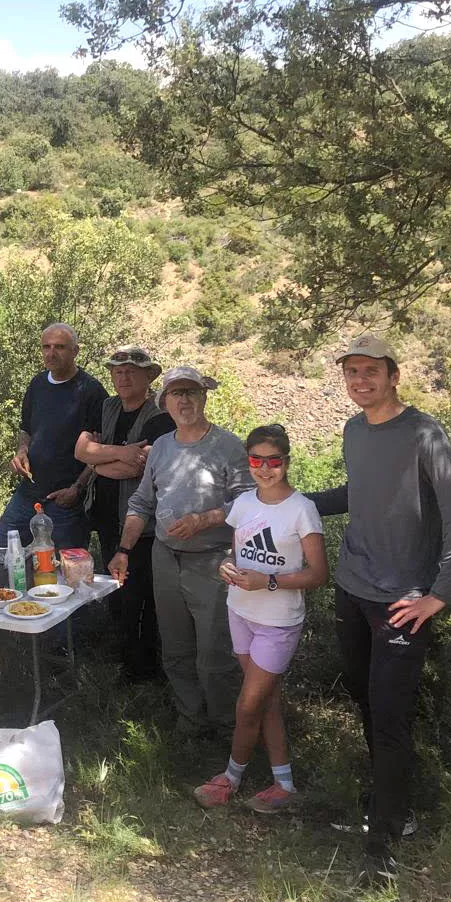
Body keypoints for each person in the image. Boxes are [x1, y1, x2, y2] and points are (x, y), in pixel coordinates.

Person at [308, 334, 451, 887]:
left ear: (393, 376)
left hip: (402, 604)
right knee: (365, 702)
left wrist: (439, 594)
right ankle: (390, 805)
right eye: (352, 371)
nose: (360, 381)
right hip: (353, 588)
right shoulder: (354, 430)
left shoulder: (424, 433)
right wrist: (290, 500)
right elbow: (357, 494)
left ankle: (382, 848)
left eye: (371, 371)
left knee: (390, 717)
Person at [109, 366, 252, 735]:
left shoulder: (228, 446)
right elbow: (142, 502)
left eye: (191, 392)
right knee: (175, 646)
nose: (184, 400)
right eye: (176, 393)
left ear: (204, 397)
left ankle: (226, 725)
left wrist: (205, 519)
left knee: (215, 651)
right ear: (165, 403)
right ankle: (191, 719)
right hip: (166, 557)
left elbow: (250, 504)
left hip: (214, 560)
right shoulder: (161, 447)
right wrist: (123, 549)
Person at [192, 424, 327, 811]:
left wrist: (267, 581)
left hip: (278, 623)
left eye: (273, 461)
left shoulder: (302, 509)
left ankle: (230, 778)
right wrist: (227, 566)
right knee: (266, 701)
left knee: (248, 705)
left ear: (286, 462)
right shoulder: (243, 504)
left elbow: (318, 574)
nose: (265, 469)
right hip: (240, 612)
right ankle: (284, 783)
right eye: (256, 460)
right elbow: (238, 555)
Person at [75, 344, 174, 680]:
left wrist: (98, 459)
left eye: (131, 371)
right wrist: (119, 453)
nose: (123, 377)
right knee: (115, 592)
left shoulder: (159, 416)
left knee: (139, 596)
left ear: (149, 376)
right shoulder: (108, 406)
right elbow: (81, 450)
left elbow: (138, 469)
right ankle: (124, 658)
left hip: (140, 524)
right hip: (106, 519)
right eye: (118, 372)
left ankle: (144, 669)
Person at [0, 323, 106, 550]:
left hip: (66, 502)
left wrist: (76, 489)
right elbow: (26, 429)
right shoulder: (37, 384)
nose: (51, 353)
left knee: (64, 568)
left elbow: (101, 449)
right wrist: (22, 451)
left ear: (75, 351)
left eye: (59, 347)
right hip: (28, 494)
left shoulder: (92, 391)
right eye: (46, 347)